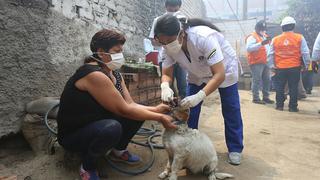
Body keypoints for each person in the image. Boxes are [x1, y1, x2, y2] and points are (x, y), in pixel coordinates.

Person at [57, 29, 176, 180]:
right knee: (112, 127)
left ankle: (118, 151)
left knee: (137, 114)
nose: (120, 55)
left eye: (121, 51)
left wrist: (156, 109)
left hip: (97, 122)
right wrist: (160, 118)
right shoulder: (93, 74)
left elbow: (130, 104)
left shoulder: (115, 74)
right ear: (101, 52)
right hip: (75, 134)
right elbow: (124, 109)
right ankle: (87, 166)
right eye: (116, 51)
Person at [154, 14, 244, 165]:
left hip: (225, 70)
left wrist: (200, 95)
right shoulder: (167, 48)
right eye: (163, 43)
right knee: (188, 109)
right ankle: (188, 144)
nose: (167, 45)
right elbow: (166, 74)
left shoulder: (203, 37)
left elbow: (219, 74)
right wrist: (164, 85)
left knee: (231, 108)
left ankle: (235, 148)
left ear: (181, 33)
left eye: (170, 41)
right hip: (197, 74)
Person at [268, 16, 310, 112]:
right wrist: (307, 65)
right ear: (293, 26)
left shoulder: (275, 39)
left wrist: (272, 66)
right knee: (293, 87)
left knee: (280, 87)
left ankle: (279, 106)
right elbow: (305, 52)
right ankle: (293, 107)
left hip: (280, 67)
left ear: (282, 27)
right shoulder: (299, 37)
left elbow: (270, 54)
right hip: (294, 67)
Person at [149, 0, 187, 99]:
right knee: (168, 87)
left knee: (183, 84)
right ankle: (171, 105)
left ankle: (184, 104)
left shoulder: (181, 20)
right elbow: (153, 40)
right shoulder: (158, 21)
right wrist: (166, 43)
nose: (173, 10)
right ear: (166, 6)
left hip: (181, 58)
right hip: (165, 57)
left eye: (176, 8)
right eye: (171, 8)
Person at [246, 20, 274, 104]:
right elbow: (249, 48)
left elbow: (268, 48)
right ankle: (256, 98)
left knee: (267, 80)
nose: (263, 31)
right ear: (257, 29)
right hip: (256, 62)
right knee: (257, 80)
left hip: (265, 61)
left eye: (264, 29)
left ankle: (266, 97)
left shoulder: (265, 36)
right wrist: (261, 43)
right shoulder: (252, 37)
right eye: (262, 29)